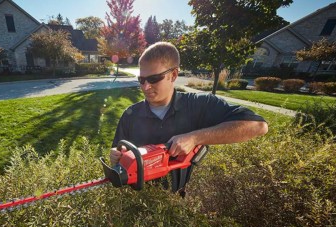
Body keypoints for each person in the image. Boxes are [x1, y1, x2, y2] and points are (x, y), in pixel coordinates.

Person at [109, 42, 268, 194]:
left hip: (182, 201)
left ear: (173, 75)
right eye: (141, 80)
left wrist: (194, 138)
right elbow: (119, 153)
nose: (145, 87)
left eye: (153, 79)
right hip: (138, 203)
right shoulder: (130, 115)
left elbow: (258, 126)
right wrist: (117, 157)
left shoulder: (199, 105)